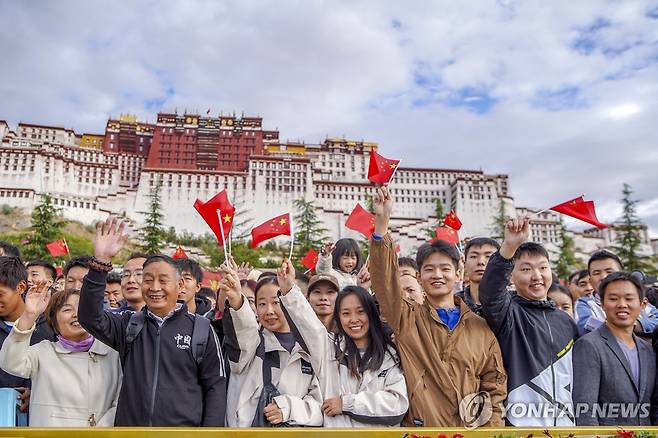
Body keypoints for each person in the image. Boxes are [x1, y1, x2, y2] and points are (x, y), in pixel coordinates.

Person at [369, 186, 506, 427]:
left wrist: (489, 431)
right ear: (419, 276)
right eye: (430, 269)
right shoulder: (406, 318)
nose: (437, 275)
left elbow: (494, 385)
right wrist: (382, 224)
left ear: (458, 274)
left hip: (468, 433)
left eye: (445, 269)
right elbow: (384, 284)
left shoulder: (479, 327)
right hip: (422, 429)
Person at [77, 217, 226, 426]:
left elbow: (215, 387)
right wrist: (100, 263)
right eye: (147, 280)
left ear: (180, 284)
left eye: (163, 281)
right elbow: (89, 317)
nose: (155, 288)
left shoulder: (201, 330)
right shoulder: (128, 324)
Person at [279, 259, 409, 426]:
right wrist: (289, 289)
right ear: (338, 318)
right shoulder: (328, 349)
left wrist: (347, 404)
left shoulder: (389, 356)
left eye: (360, 312)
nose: (354, 320)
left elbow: (397, 404)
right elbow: (309, 325)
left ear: (371, 314)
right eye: (346, 313)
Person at [479, 216, 579, 427]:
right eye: (525, 269)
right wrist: (509, 247)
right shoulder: (508, 313)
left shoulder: (566, 321)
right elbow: (490, 291)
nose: (537, 276)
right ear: (511, 276)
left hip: (566, 425)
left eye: (543, 268)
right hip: (521, 425)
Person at [0, 285, 121, 427]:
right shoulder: (43, 352)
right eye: (67, 309)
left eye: (82, 308)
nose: (76, 314)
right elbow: (10, 362)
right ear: (54, 323)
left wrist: (99, 432)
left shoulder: (113, 354)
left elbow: (121, 402)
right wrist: (29, 315)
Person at [221, 259, 323, 427]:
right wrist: (237, 301)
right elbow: (243, 328)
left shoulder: (308, 350)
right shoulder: (251, 345)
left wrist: (288, 407)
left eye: (276, 302)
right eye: (261, 303)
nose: (269, 311)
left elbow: (320, 406)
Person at [573, 272, 658, 425]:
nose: (622, 304)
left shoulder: (648, 351)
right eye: (613, 299)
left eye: (629, 298)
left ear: (642, 304)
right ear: (602, 304)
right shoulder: (589, 345)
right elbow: (585, 410)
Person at [0, 257, 55, 414]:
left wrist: (37, 392)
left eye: (0, 294)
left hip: (40, 418)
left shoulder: (51, 326)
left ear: (21, 287)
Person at [576, 250, 623, 334]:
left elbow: (653, 321)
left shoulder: (637, 299)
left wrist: (635, 325)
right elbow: (586, 324)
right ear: (590, 280)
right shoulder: (584, 304)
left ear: (622, 275)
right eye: (597, 273)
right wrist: (624, 328)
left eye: (609, 272)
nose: (603, 277)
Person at [455, 237, 500, 316]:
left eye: (488, 256)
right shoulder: (454, 304)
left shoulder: (513, 305)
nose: (480, 262)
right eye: (474, 256)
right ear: (464, 263)